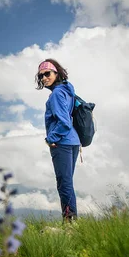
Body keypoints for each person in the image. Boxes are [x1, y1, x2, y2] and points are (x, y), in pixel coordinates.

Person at [35, 59, 80, 222]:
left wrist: (50, 138)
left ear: (56, 73)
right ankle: (71, 219)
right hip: (73, 142)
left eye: (47, 74)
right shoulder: (68, 90)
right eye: (41, 76)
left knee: (64, 183)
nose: (44, 78)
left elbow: (64, 122)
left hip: (62, 142)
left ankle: (70, 221)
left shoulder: (56, 94)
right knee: (67, 182)